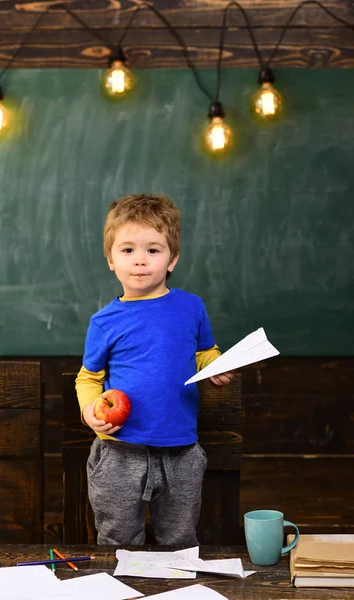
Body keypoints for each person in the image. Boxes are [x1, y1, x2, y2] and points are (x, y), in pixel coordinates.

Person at [75, 193, 233, 545]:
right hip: (118, 452)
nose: (140, 261)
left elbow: (204, 352)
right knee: (117, 540)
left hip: (181, 450)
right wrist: (89, 411)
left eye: (153, 250)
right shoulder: (104, 322)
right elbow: (89, 377)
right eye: (128, 250)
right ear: (111, 260)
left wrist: (217, 366)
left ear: (172, 259)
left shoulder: (191, 308)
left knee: (179, 540)